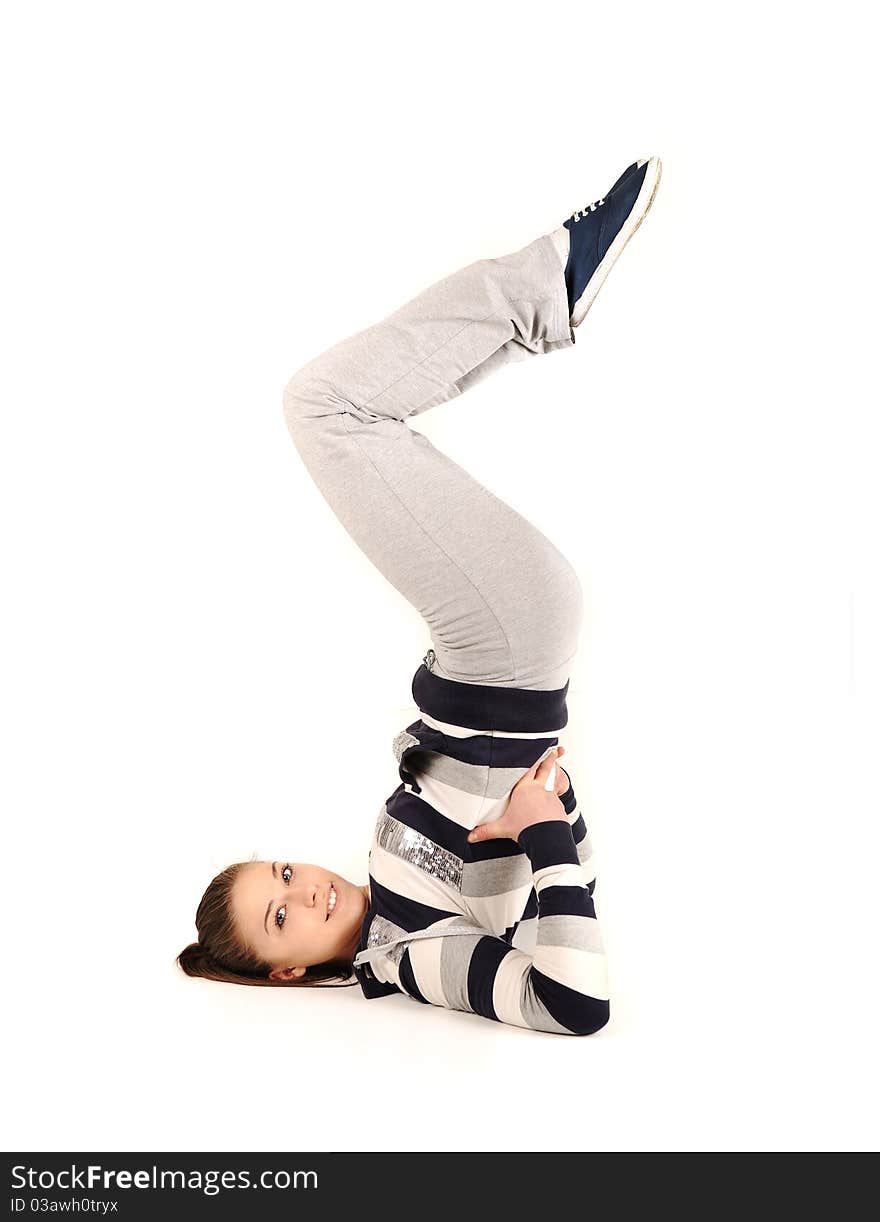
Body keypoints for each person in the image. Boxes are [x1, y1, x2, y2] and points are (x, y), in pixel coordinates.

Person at [177, 156, 663, 1035]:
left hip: (478, 654)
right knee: (326, 409)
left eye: (282, 876)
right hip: (506, 654)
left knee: (354, 416)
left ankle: (540, 302)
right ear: (286, 974)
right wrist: (542, 827)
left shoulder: (382, 883)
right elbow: (573, 1004)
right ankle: (543, 287)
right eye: (282, 916)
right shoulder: (406, 950)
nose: (306, 890)